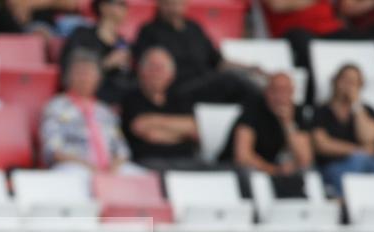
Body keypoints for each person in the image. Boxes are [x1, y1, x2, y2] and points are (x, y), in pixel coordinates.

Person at [131, 0, 262, 107]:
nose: (175, 6)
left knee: (244, 80)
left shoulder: (194, 27)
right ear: (160, 4)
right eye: (169, 2)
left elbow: (217, 60)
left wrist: (249, 68)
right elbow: (145, 67)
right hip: (177, 89)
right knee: (231, 81)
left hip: (208, 82)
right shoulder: (149, 31)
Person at [41, 50, 132, 173]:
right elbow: (53, 150)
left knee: (139, 177)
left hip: (109, 170)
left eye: (89, 73)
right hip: (73, 167)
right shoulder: (56, 106)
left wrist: (113, 168)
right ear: (68, 77)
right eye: (79, 73)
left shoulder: (105, 111)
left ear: (98, 78)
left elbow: (122, 150)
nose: (84, 77)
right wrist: (88, 167)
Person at [219, 72, 313, 176]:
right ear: (266, 92)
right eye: (275, 90)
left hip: (271, 167)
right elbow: (242, 156)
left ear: (292, 92)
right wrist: (275, 170)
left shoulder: (296, 113)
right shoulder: (253, 109)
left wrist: (287, 123)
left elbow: (305, 159)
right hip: (238, 168)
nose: (280, 96)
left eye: (285, 91)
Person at [121, 47, 201, 169]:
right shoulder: (131, 97)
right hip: (148, 163)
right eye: (152, 67)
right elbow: (142, 128)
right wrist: (180, 133)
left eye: (161, 68)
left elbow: (194, 130)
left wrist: (154, 121)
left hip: (187, 160)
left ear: (171, 74)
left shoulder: (180, 98)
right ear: (141, 71)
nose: (157, 72)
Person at [311, 63, 374, 195]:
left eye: (354, 82)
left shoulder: (367, 111)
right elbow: (322, 145)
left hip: (364, 164)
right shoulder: (321, 111)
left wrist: (356, 105)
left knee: (369, 163)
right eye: (345, 80)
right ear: (336, 81)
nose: (349, 85)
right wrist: (357, 150)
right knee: (359, 160)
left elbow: (368, 137)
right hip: (332, 165)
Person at [59, 0, 132, 107]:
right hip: (83, 101)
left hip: (117, 104)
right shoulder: (82, 35)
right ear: (103, 6)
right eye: (119, 3)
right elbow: (69, 70)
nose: (124, 8)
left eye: (125, 5)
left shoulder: (123, 44)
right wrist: (107, 63)